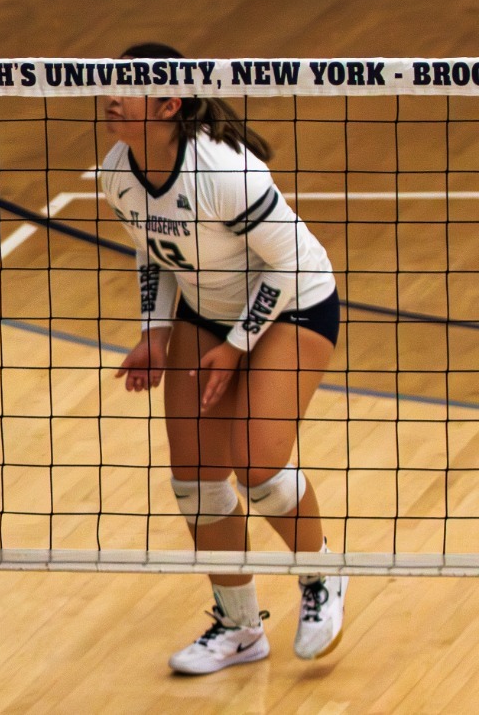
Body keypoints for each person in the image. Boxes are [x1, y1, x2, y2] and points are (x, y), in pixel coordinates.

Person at [101, 41, 346, 672]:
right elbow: (154, 252)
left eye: (126, 88)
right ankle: (239, 628)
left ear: (168, 104)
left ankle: (323, 575)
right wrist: (156, 332)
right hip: (208, 310)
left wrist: (238, 346)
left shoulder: (223, 171)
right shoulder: (117, 173)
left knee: (256, 466)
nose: (110, 95)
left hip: (294, 300)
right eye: (111, 84)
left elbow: (290, 261)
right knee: (196, 482)